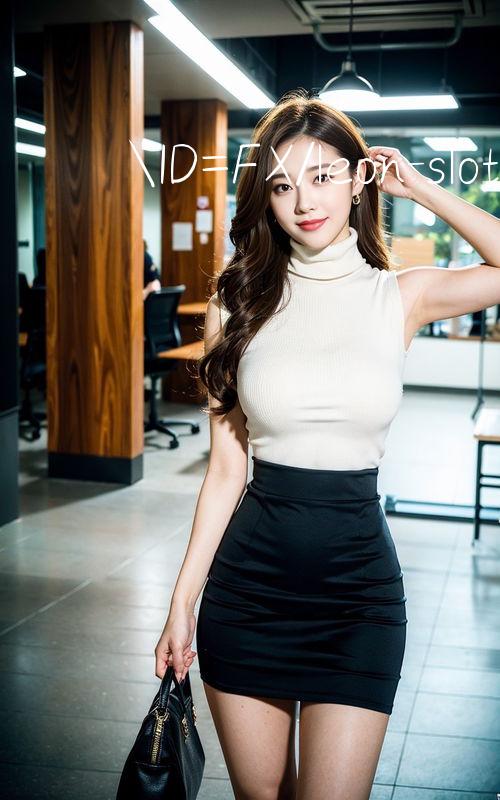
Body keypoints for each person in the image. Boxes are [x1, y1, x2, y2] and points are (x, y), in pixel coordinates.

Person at [153, 88, 500, 799]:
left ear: (358, 177)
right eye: (283, 183)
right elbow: (224, 471)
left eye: (322, 174)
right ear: (266, 198)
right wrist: (182, 601)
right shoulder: (238, 303)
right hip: (247, 595)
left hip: (358, 598)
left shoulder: (401, 295)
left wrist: (423, 188)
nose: (304, 198)